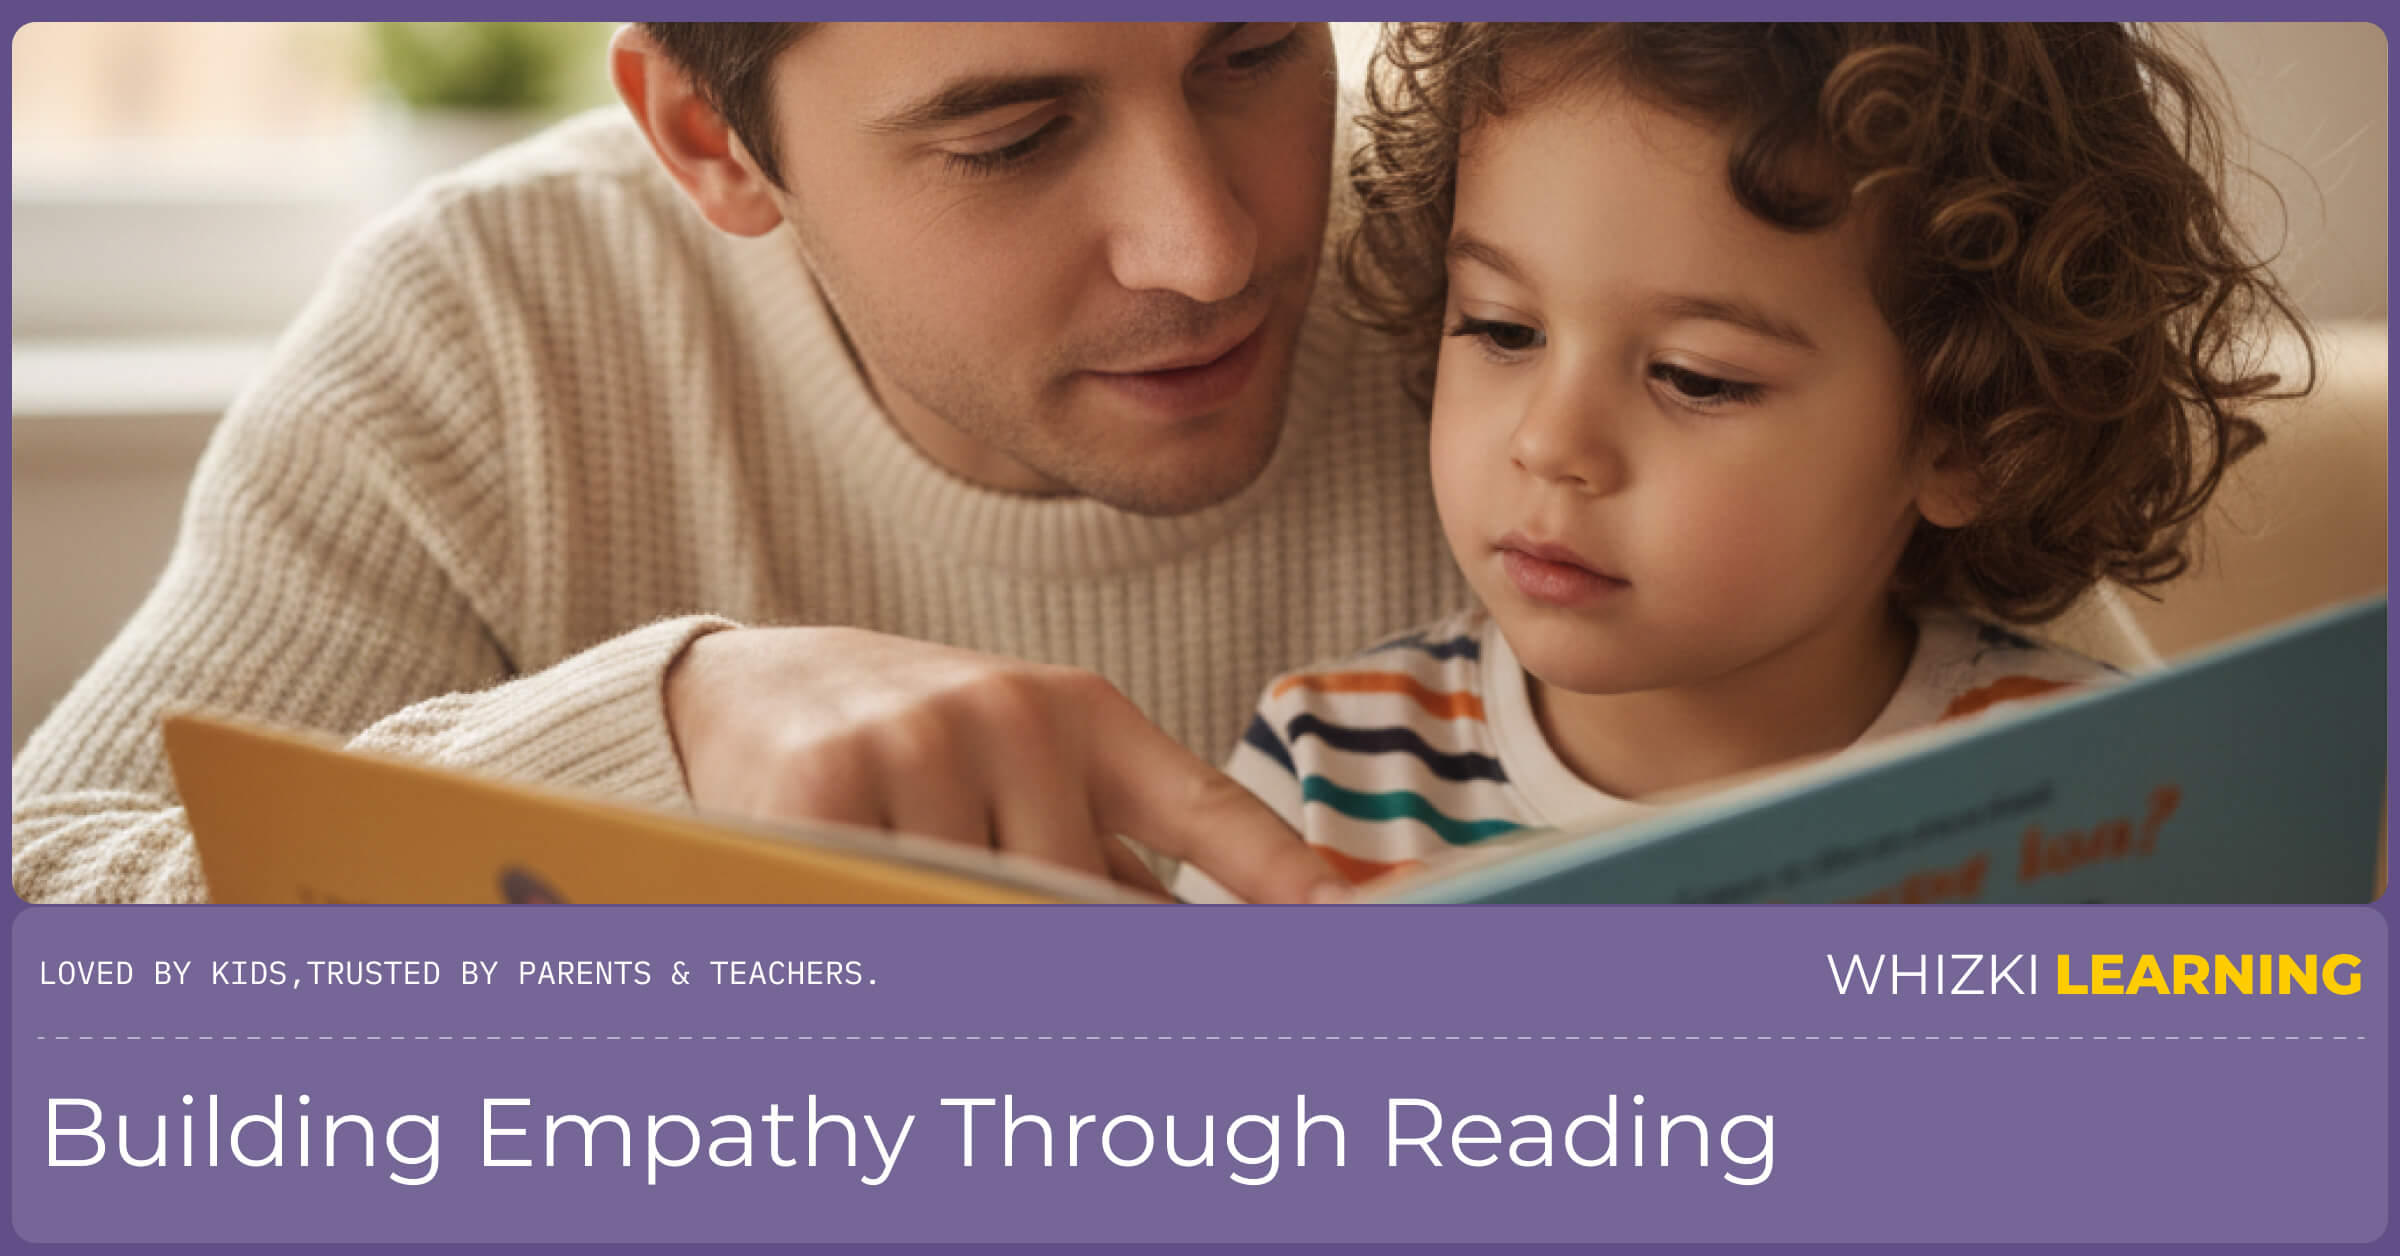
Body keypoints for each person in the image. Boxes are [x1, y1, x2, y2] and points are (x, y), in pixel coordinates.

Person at [11, 23, 1475, 903]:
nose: (1210, 246)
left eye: (1255, 53)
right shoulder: (494, 331)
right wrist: (659, 739)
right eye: (1014, 137)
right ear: (710, 140)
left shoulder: (1513, 270)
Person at [1180, 23, 2310, 898]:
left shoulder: (2104, 795)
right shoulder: (1322, 777)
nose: (1550, 443)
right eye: (1503, 328)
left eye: (1697, 376)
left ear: (1966, 431)